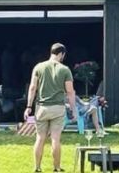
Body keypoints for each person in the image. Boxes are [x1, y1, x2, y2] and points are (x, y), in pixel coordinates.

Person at [24, 43, 77, 173]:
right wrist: (73, 109)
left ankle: (37, 167)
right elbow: (70, 91)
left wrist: (29, 106)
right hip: (58, 108)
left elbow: (32, 87)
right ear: (62, 54)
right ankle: (57, 167)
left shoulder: (38, 67)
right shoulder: (65, 70)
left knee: (40, 138)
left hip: (41, 107)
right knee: (55, 138)